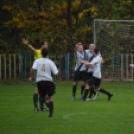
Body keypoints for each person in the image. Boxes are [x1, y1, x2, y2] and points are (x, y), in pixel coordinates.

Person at [29, 48, 58, 119]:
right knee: (50, 97)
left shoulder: (37, 61)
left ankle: (45, 101)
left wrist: (32, 77)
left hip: (40, 81)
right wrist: (55, 78)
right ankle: (50, 115)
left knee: (42, 97)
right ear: (48, 54)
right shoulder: (50, 62)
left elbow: (33, 69)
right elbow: (56, 73)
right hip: (48, 81)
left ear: (41, 53)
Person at [22, 38, 48, 112]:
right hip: (39, 74)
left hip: (45, 74)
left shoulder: (46, 53)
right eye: (46, 44)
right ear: (42, 45)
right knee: (37, 90)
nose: (47, 45)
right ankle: (36, 108)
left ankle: (42, 107)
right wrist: (27, 44)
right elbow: (33, 49)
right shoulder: (38, 52)